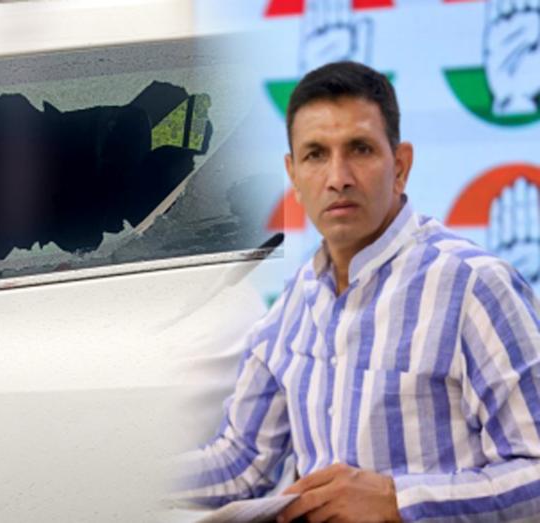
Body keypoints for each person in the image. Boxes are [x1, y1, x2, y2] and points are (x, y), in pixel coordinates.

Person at [175, 61, 540, 522]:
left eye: (360, 149)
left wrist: (397, 501)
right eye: (315, 155)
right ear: (293, 175)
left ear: (400, 166)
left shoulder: (474, 286)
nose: (338, 177)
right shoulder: (297, 301)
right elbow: (242, 463)